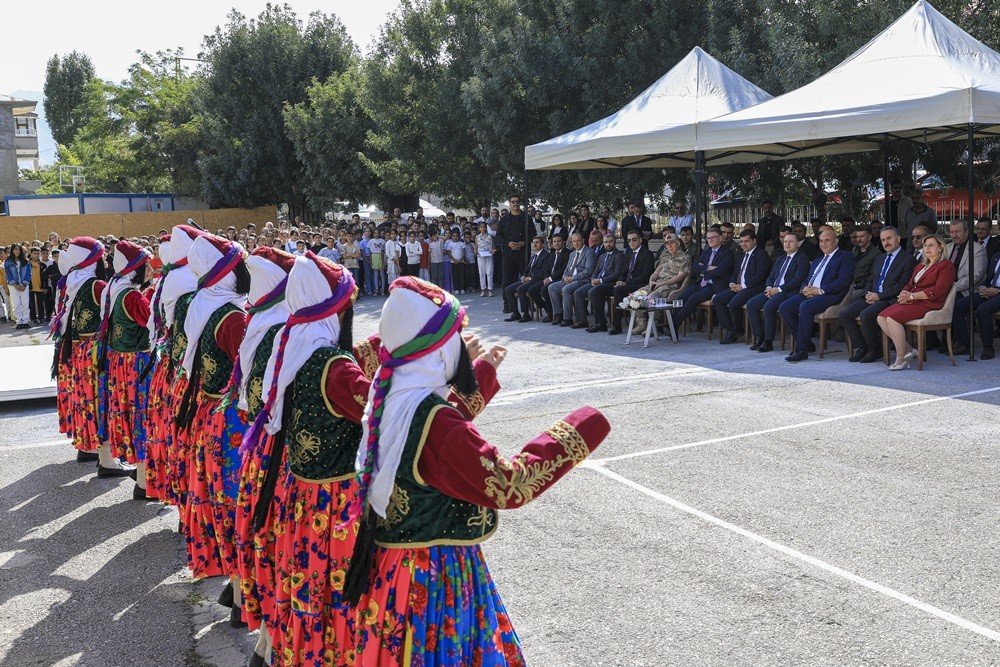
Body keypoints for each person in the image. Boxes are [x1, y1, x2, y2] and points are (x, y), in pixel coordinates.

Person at [348, 275, 611, 665]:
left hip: (392, 569)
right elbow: (508, 485)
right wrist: (583, 425)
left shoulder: (388, 396)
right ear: (437, 352)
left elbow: (444, 437)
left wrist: (482, 372)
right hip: (436, 578)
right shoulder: (433, 420)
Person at [226, 247, 295, 650]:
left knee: (259, 538)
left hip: (261, 446)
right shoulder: (283, 330)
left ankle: (251, 617)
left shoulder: (257, 320)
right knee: (278, 548)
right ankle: (270, 644)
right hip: (279, 455)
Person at [175, 235, 249, 582]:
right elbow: (250, 375)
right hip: (230, 415)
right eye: (239, 265)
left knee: (214, 493)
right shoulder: (232, 318)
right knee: (235, 496)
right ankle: (238, 581)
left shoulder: (206, 303)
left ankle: (228, 575)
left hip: (207, 407)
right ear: (225, 273)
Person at [144, 225, 203, 503]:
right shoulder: (188, 281)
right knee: (189, 440)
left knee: (174, 435)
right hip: (186, 370)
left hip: (170, 364)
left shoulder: (171, 278)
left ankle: (178, 499)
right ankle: (188, 503)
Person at [96, 240, 153, 493]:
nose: (149, 269)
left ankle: (140, 476)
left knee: (129, 415)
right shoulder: (131, 295)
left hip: (120, 362)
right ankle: (144, 481)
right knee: (143, 417)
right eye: (145, 265)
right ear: (133, 269)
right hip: (136, 363)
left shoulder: (115, 288)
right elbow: (153, 321)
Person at [49, 237, 107, 463]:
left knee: (82, 395)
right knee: (93, 396)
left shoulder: (69, 282)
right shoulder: (95, 285)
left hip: (72, 346)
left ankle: (85, 444)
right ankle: (93, 446)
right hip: (90, 347)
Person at [878, 235, 956, 370]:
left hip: (930, 303)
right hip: (913, 301)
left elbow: (938, 291)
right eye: (925, 245)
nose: (927, 248)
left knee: (892, 318)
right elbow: (909, 284)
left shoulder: (946, 265)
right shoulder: (920, 265)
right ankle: (910, 350)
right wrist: (903, 295)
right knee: (881, 317)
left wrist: (912, 296)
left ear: (941, 247)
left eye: (931, 245)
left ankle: (901, 358)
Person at [839, 227, 916, 363]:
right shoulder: (879, 258)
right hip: (873, 296)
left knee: (866, 315)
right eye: (883, 240)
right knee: (845, 313)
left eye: (889, 238)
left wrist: (879, 296)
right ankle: (862, 347)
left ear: (898, 239)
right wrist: (868, 293)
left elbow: (902, 285)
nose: (886, 242)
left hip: (889, 299)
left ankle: (875, 350)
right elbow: (871, 278)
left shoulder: (908, 259)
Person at [778, 230, 857, 362]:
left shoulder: (845, 256)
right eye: (821, 241)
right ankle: (807, 343)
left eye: (827, 240)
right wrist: (804, 289)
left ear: (836, 241)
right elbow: (807, 279)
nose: (823, 244)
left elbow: (843, 281)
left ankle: (801, 350)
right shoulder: (817, 260)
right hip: (810, 293)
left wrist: (820, 290)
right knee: (785, 307)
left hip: (830, 294)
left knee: (806, 306)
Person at [745, 233, 811, 352]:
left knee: (768, 307)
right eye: (785, 241)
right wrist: (769, 287)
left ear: (797, 244)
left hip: (788, 292)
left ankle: (768, 341)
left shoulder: (802, 259)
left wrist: (778, 289)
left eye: (791, 241)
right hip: (773, 290)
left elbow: (798, 280)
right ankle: (760, 337)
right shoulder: (781, 258)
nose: (787, 244)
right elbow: (771, 276)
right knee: (751, 304)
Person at [668, 229, 735, 332]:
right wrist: (709, 268)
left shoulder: (727, 253)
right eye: (708, 238)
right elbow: (695, 267)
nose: (710, 240)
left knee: (693, 299)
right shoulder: (707, 252)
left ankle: (674, 326)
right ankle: (671, 326)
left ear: (720, 238)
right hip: (702, 283)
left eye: (713, 237)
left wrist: (704, 268)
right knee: (681, 298)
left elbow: (720, 271)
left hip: (715, 286)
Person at [713, 230, 772, 345]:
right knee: (717, 300)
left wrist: (742, 286)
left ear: (754, 241)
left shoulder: (761, 254)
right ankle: (733, 329)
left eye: (747, 241)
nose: (743, 244)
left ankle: (736, 331)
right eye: (741, 241)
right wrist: (732, 284)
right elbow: (734, 273)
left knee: (734, 303)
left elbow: (760, 276)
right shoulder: (741, 255)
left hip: (754, 288)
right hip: (738, 287)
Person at [628, 233, 688, 335]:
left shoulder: (684, 257)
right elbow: (656, 272)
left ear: (678, 243)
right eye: (667, 244)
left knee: (651, 298)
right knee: (634, 296)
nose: (669, 246)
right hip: (657, 284)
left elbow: (680, 277)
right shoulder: (665, 257)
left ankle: (653, 326)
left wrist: (662, 283)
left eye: (672, 243)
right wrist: (651, 280)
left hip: (670, 286)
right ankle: (642, 324)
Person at [953, 247, 1000, 359]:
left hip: (998, 292)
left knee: (983, 309)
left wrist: (998, 291)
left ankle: (988, 348)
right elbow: (989, 278)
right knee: (957, 306)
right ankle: (965, 344)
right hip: (989, 290)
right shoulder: (996, 255)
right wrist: (982, 287)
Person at [549, 233, 597, 327]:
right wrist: (564, 277)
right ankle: (559, 314)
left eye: (578, 240)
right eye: (574, 241)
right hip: (570, 279)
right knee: (552, 287)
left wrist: (572, 278)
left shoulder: (589, 252)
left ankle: (567, 318)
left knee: (566, 289)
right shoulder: (572, 254)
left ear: (583, 240)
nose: (576, 243)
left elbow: (588, 271)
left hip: (583, 281)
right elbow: (567, 269)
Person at [579, 234, 624, 332]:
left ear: (615, 242)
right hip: (598, 282)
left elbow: (616, 274)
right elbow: (596, 271)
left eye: (611, 241)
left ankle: (600, 323)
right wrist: (593, 279)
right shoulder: (602, 256)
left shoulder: (619, 255)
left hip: (611, 283)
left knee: (594, 291)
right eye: (606, 242)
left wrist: (600, 281)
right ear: (603, 243)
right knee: (579, 292)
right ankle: (582, 320)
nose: (608, 244)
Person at [504, 236, 549, 322]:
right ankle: (515, 314)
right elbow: (527, 270)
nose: (534, 244)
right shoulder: (533, 256)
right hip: (528, 279)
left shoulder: (545, 255)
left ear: (542, 244)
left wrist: (530, 278)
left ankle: (526, 314)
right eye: (533, 242)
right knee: (508, 289)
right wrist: (524, 276)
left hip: (537, 280)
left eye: (537, 242)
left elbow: (544, 272)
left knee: (520, 289)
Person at [530, 234, 570, 322]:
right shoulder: (551, 254)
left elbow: (563, 269)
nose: (556, 243)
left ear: (564, 242)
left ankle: (557, 314)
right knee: (532, 291)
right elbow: (547, 269)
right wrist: (547, 277)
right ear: (552, 244)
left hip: (560, 278)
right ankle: (549, 310)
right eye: (554, 242)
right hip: (549, 279)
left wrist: (550, 279)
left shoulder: (568, 253)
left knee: (545, 289)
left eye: (559, 241)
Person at [496, 195, 528, 302]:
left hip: (523, 253)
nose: (515, 204)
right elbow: (499, 236)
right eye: (513, 202)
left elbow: (533, 234)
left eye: (517, 202)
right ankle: (508, 304)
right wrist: (508, 243)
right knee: (507, 280)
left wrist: (523, 243)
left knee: (526, 278)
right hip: (508, 253)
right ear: (509, 204)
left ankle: (527, 304)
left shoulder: (526, 218)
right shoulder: (504, 219)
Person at [5, 244, 31, 329]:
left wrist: (24, 284)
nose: (17, 251)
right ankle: (19, 321)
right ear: (12, 250)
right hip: (13, 286)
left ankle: (26, 321)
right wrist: (14, 284)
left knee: (25, 303)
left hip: (24, 285)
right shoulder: (8, 261)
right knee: (16, 303)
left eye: (18, 250)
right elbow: (8, 274)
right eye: (15, 249)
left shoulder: (26, 261)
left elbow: (28, 273)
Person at [476, 222, 496, 297]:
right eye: (481, 227)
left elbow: (493, 247)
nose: (483, 229)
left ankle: (490, 289)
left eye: (484, 227)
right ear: (479, 228)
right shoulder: (477, 237)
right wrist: (476, 252)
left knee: (489, 273)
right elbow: (476, 246)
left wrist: (493, 251)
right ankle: (483, 289)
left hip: (489, 256)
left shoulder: (490, 236)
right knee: (481, 273)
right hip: (480, 257)